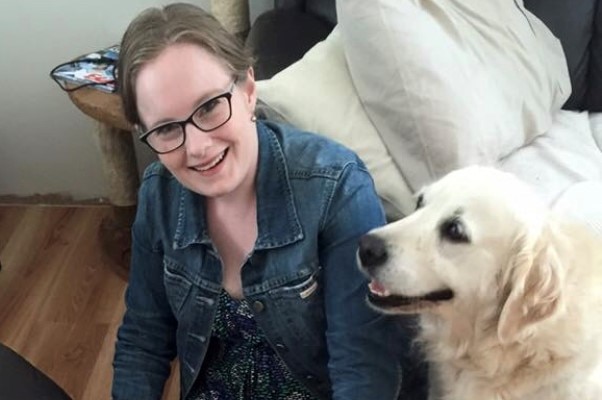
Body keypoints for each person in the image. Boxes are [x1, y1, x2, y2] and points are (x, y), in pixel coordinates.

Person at [111, 3, 425, 400]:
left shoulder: (337, 188)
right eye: (167, 129)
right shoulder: (158, 195)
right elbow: (143, 338)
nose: (198, 147)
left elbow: (363, 368)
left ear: (248, 89)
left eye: (209, 106)